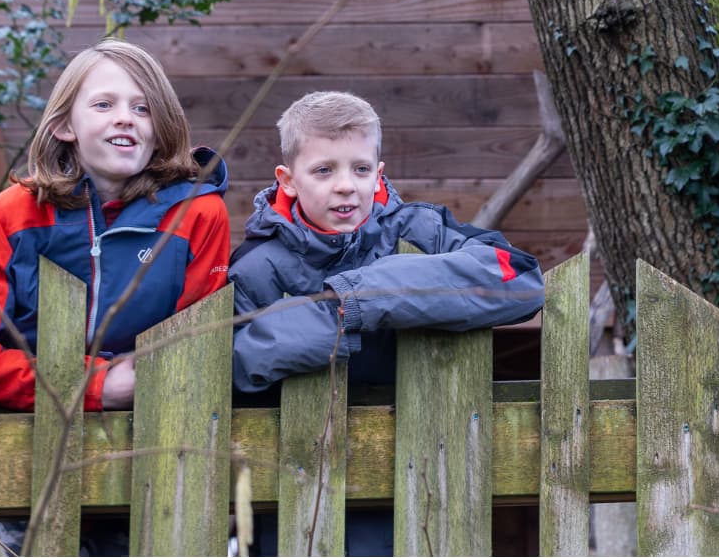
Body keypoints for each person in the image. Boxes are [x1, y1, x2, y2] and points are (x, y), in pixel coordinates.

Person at [229, 90, 544, 555]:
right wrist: (331, 314)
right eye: (323, 170)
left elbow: (518, 279)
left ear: (378, 173)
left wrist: (361, 297)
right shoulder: (256, 266)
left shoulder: (417, 230)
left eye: (360, 169)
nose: (345, 185)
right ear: (288, 179)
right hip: (296, 482)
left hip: (422, 470)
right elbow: (235, 364)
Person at [0, 38, 231, 413]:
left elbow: (199, 348)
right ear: (64, 125)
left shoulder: (198, 215)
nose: (125, 118)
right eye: (103, 104)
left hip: (156, 425)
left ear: (161, 127)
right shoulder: (13, 214)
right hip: (22, 430)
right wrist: (94, 385)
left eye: (143, 108)